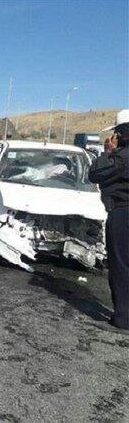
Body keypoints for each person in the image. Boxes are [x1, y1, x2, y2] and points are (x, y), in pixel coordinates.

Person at [89, 109, 129, 332]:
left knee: (120, 266)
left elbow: (95, 174)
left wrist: (107, 152)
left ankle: (123, 320)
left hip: (123, 214)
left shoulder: (121, 158)